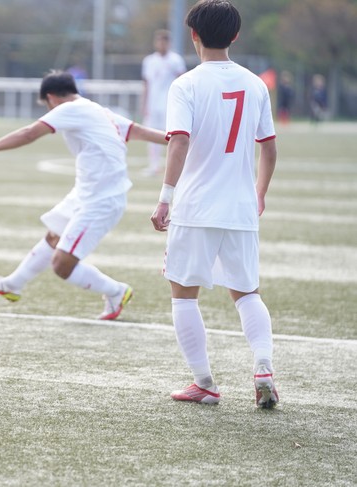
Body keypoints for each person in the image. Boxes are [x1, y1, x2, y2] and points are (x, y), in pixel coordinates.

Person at [150, 0, 279, 408]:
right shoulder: (256, 83)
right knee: (247, 293)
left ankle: (204, 383)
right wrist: (258, 194)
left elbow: (179, 141)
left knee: (184, 296)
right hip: (240, 208)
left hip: (196, 206)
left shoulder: (185, 84)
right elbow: (269, 148)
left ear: (193, 35)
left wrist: (164, 197)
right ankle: (263, 368)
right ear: (235, 36)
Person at [0, 70, 167, 321]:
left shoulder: (69, 109)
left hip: (101, 200)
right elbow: (140, 131)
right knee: (54, 236)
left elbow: (30, 133)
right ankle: (12, 284)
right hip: (86, 193)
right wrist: (184, 140)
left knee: (61, 265)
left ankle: (116, 291)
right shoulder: (98, 111)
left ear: (51, 98)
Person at [141, 29, 187, 177]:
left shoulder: (175, 60)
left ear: (169, 43)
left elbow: (182, 80)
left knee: (171, 135)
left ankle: (173, 166)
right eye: (159, 41)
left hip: (169, 103)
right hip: (153, 104)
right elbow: (147, 83)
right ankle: (154, 165)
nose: (162, 44)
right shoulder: (149, 61)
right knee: (151, 134)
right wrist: (145, 104)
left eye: (165, 41)